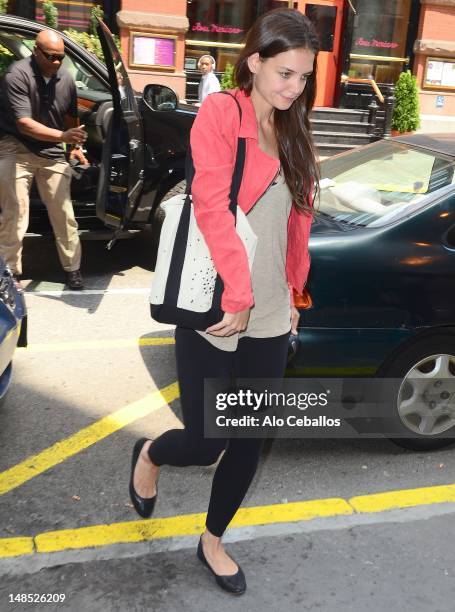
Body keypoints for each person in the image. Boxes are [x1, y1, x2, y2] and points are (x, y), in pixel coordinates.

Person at [130, 8, 319, 595]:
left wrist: (292, 293)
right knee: (207, 438)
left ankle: (212, 540)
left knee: (249, 436)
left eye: (304, 77)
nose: (294, 87)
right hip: (217, 299)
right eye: (285, 73)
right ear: (255, 61)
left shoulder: (294, 127)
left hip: (267, 311)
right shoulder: (221, 113)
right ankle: (153, 454)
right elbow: (211, 205)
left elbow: (297, 221)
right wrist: (237, 295)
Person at [0, 30, 87, 289]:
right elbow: (24, 124)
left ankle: (73, 269)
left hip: (51, 152)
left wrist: (74, 146)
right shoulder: (17, 74)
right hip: (17, 147)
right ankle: (9, 274)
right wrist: (63, 135)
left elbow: (72, 116)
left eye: (61, 57)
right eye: (51, 56)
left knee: (64, 213)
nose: (57, 62)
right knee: (15, 213)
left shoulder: (66, 79)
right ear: (36, 51)